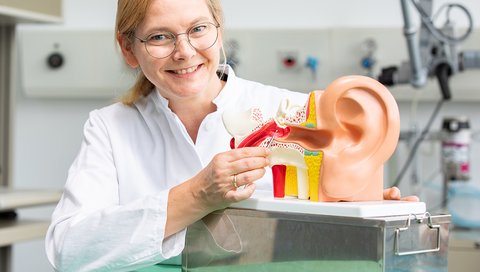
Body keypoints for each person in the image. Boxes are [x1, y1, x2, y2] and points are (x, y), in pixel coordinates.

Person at [45, 0, 418, 271]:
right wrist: (197, 195)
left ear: (219, 30)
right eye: (160, 37)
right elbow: (69, 249)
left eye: (198, 30)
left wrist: (361, 212)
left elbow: (324, 246)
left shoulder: (290, 112)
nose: (184, 52)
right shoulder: (111, 128)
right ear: (129, 49)